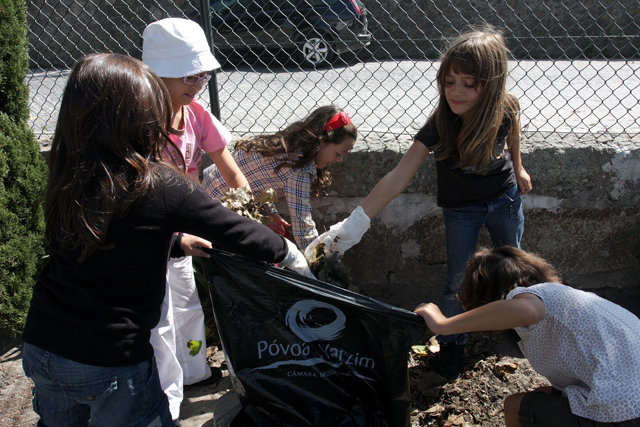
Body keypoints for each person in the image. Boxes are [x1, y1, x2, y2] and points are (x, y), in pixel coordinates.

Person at [20, 53, 311, 427]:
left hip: (43, 346)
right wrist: (288, 253)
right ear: (137, 117)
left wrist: (175, 244)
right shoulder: (158, 182)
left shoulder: (69, 171)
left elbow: (106, 241)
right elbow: (234, 230)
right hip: (110, 361)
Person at [321, 26, 532, 380]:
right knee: (456, 279)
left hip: (504, 199)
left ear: (492, 84)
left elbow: (513, 136)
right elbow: (399, 175)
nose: (456, 92)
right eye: (449, 82)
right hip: (461, 209)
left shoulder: (506, 106)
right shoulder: (440, 122)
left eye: (469, 83)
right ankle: (452, 343)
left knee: (514, 269)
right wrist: (355, 222)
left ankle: (520, 325)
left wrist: (520, 166)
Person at [141, 17, 250, 421]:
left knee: (187, 307)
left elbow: (230, 169)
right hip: (153, 236)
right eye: (186, 75)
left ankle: (193, 371)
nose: (197, 82)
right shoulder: (141, 123)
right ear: (156, 74)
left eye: (201, 74)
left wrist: (244, 211)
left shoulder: (197, 114)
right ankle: (165, 397)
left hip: (185, 232)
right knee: (161, 318)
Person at [414, 246, 640, 427]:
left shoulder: (529, 297)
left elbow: (527, 311)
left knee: (515, 407)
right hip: (626, 400)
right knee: (541, 396)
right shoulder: (565, 297)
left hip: (625, 411)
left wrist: (443, 325)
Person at [202, 105, 358, 251]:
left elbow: (257, 180)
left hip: (214, 185)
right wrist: (316, 260)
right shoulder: (299, 170)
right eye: (338, 153)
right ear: (321, 140)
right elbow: (303, 228)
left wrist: (269, 212)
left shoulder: (291, 148)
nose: (340, 160)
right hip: (221, 202)